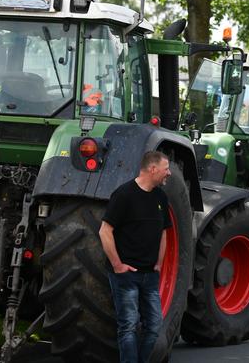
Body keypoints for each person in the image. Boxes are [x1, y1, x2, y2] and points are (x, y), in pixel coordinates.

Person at [98, 151, 172, 363]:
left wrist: (159, 263)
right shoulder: (124, 194)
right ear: (153, 169)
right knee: (128, 325)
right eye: (166, 169)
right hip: (126, 275)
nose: (169, 173)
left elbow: (164, 232)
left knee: (155, 325)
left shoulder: (160, 197)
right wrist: (118, 265)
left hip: (150, 275)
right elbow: (105, 230)